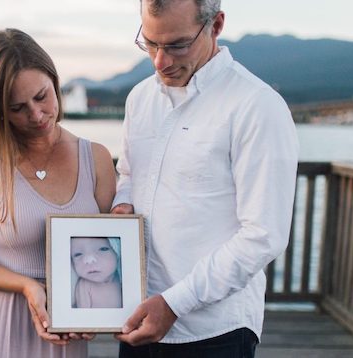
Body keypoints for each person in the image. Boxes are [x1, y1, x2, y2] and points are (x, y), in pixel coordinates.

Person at [111, 0, 299, 356]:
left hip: (215, 332)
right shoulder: (139, 99)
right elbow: (129, 172)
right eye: (150, 43)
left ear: (216, 25)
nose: (160, 62)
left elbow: (263, 235)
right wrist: (123, 202)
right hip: (140, 316)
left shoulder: (258, 106)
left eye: (177, 45)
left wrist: (175, 303)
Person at [0, 28, 117, 358]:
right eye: (17, 107)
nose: (36, 115)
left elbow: (112, 248)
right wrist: (27, 286)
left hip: (66, 332)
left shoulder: (95, 158)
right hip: (1, 328)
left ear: (55, 82)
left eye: (42, 97)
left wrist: (100, 309)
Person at [70, 237, 123, 308]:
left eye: (102, 249)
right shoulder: (85, 285)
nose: (88, 260)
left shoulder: (124, 281)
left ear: (117, 253)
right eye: (78, 254)